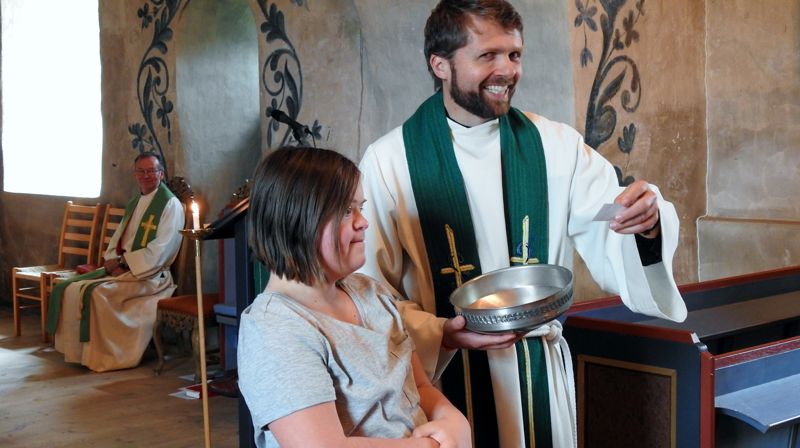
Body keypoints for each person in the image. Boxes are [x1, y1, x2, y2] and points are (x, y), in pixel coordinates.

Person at [357, 1, 688, 447]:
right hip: (443, 380)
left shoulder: (556, 146)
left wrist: (645, 222)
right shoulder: (390, 161)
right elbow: (367, 292)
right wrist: (440, 333)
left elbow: (611, 221)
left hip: (537, 373)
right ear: (440, 64)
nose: (506, 70)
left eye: (514, 55)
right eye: (487, 56)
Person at [238, 147, 471, 448]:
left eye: (360, 207)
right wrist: (429, 446)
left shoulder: (370, 292)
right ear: (297, 219)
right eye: (347, 210)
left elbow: (419, 387)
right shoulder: (274, 329)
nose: (363, 222)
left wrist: (452, 420)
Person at [46, 152, 184, 372]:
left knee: (98, 295)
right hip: (128, 268)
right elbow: (118, 239)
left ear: (161, 174)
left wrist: (124, 263)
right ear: (135, 174)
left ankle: (108, 357)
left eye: (152, 171)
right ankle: (79, 353)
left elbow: (161, 250)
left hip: (152, 276)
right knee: (72, 288)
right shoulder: (135, 202)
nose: (147, 175)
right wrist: (112, 261)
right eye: (142, 171)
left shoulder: (170, 205)